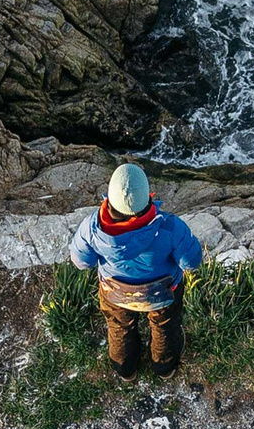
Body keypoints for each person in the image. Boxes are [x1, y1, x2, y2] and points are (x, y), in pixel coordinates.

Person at [71, 161, 205, 377]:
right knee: (164, 328)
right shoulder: (171, 227)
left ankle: (125, 370)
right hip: (163, 293)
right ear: (147, 197)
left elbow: (81, 262)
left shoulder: (91, 228)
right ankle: (164, 367)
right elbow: (191, 262)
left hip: (114, 293)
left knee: (119, 328)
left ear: (110, 199)